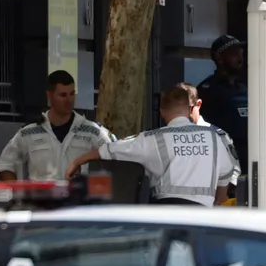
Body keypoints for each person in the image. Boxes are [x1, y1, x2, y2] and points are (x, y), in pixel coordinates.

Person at [66, 83, 237, 206]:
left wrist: (78, 161)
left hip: (168, 215)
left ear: (162, 112)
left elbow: (113, 149)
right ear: (188, 109)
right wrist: (217, 200)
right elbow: (226, 174)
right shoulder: (214, 137)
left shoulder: (155, 138)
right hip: (203, 219)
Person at [0, 70, 114, 181]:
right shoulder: (29, 132)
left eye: (72, 94)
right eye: (62, 95)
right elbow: (5, 165)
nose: (69, 100)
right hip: (41, 201)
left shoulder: (92, 131)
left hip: (77, 200)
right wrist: (20, 195)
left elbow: (116, 154)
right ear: (49, 96)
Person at [198, 35, 248, 200]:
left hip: (250, 165)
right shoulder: (208, 90)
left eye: (241, 53)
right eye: (234, 53)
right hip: (223, 169)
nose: (240, 58)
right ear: (220, 58)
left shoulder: (246, 88)